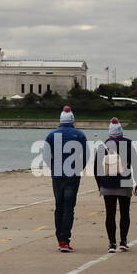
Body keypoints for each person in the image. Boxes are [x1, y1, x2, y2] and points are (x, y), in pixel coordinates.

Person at [40, 105, 88, 252]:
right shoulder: (80, 135)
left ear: (60, 121)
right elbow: (86, 156)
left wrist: (53, 167)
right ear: (73, 121)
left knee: (59, 207)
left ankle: (59, 239)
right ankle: (65, 239)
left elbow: (45, 155)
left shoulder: (51, 135)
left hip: (57, 176)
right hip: (72, 176)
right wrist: (78, 168)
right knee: (69, 208)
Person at [92, 117, 137, 253]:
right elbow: (136, 166)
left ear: (109, 133)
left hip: (107, 185)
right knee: (125, 213)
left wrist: (100, 185)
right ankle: (123, 241)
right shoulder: (128, 145)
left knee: (110, 214)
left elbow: (96, 169)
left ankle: (112, 243)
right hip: (125, 183)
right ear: (121, 132)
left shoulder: (103, 146)